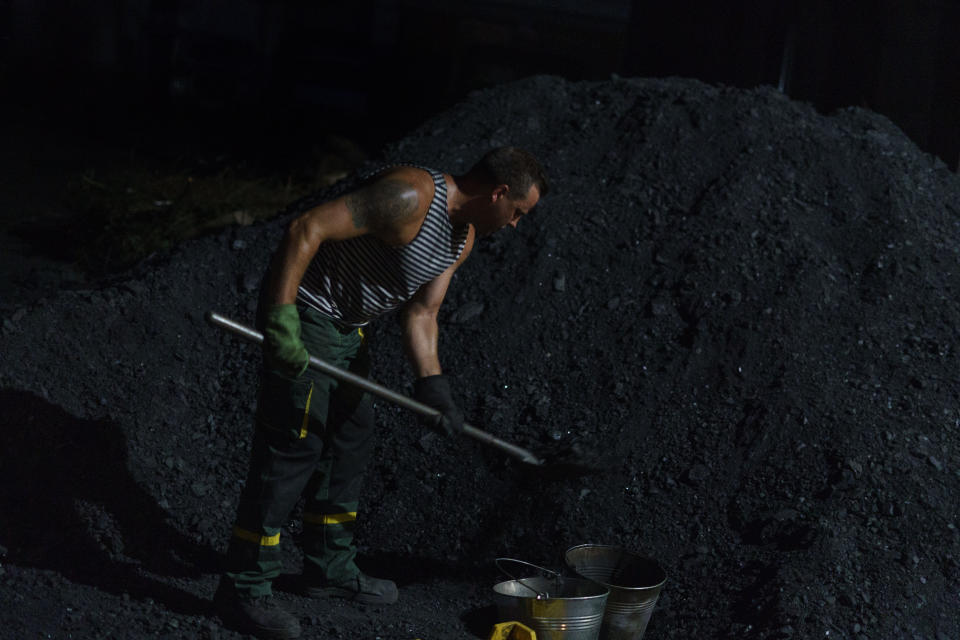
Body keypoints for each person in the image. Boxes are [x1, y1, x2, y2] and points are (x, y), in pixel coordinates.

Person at [213, 146, 549, 639]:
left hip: (351, 331)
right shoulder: (410, 196)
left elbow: (422, 314)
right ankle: (243, 587)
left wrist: (433, 387)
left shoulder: (462, 239)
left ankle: (328, 569)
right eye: (518, 213)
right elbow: (306, 228)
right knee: (293, 445)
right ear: (499, 192)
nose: (516, 224)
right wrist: (282, 318)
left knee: (351, 441)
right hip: (309, 314)